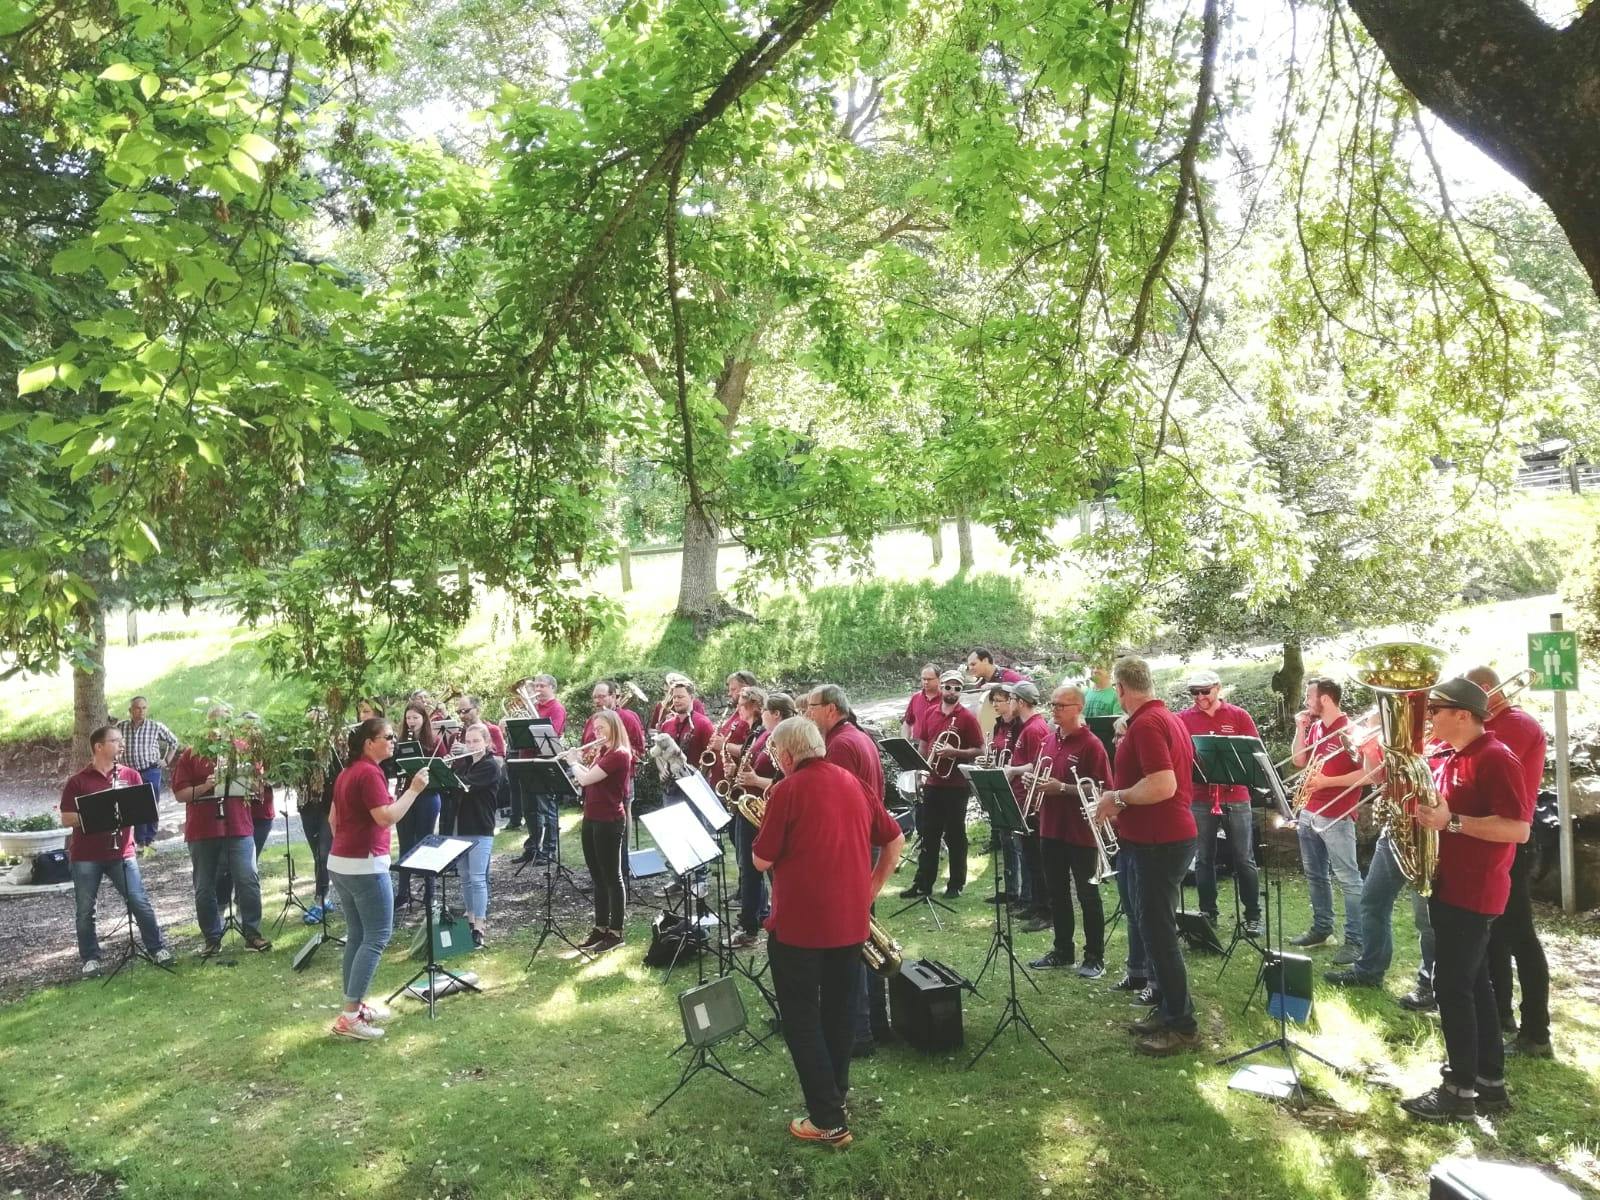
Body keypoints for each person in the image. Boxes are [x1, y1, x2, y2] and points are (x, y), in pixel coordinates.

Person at [752, 716, 904, 1149]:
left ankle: (828, 1120)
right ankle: (836, 1095)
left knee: (801, 1020)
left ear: (786, 754)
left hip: (799, 927)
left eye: (775, 755)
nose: (775, 761)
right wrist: (869, 890)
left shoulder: (787, 789)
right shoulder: (854, 783)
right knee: (839, 1014)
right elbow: (894, 842)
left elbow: (762, 861)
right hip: (849, 924)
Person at [1399, 677, 1532, 1121]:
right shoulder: (1450, 756)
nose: (1429, 718)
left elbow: (1518, 828)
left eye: (1435, 710)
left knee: (1451, 987)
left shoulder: (1495, 757)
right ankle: (1489, 1083)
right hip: (1450, 883)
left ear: (1462, 714)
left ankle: (1457, 1092)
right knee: (1475, 985)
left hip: (1473, 890)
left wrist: (1450, 822)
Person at [1093, 656, 1199, 1056]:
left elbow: (1163, 785)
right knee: (1152, 930)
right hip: (1156, 839)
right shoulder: (1162, 719)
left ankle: (1183, 1025)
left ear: (1120, 689)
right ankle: (1168, 1009)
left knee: (1159, 934)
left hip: (1160, 841)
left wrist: (1115, 798)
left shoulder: (1150, 724)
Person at [326, 718, 432, 1040]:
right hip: (364, 866)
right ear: (368, 743)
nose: (393, 741)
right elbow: (386, 818)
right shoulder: (369, 772)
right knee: (376, 937)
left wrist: (348, 845)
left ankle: (353, 1007)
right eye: (387, 737)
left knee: (357, 935)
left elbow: (333, 820)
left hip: (341, 862)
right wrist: (414, 790)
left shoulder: (347, 772)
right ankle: (349, 1017)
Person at [1468, 666, 1552, 1057]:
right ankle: (1500, 1014)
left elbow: (1489, 773)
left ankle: (1537, 1032)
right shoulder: (1492, 724)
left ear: (1486, 689)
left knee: (1520, 935)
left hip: (1515, 841)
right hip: (1491, 839)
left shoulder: (1515, 724)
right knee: (1492, 934)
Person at [60, 724, 174, 974]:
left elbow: (144, 809)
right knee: (85, 910)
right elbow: (67, 818)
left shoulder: (130, 776)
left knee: (138, 900)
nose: (121, 745)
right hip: (86, 856)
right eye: (116, 741)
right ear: (99, 747)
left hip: (122, 852)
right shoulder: (78, 781)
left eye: (121, 741)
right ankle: (90, 959)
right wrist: (98, 815)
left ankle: (157, 948)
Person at [171, 708, 271, 956]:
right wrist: (207, 785)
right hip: (202, 830)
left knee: (248, 878)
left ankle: (252, 933)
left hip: (238, 826)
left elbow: (258, 788)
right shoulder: (191, 754)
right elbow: (180, 794)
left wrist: (248, 779)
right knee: (204, 886)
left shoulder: (243, 749)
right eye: (215, 723)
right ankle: (212, 939)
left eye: (225, 723)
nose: (220, 729)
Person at [1027, 685, 1112, 975]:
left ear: (1078, 708)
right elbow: (1044, 775)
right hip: (1051, 828)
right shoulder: (1048, 741)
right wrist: (1034, 781)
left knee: (1088, 895)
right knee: (1057, 893)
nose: (1054, 710)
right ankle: (1063, 950)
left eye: (1061, 705)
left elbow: (1101, 789)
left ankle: (1094, 957)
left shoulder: (1092, 744)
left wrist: (1062, 788)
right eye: (1052, 705)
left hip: (1081, 832)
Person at [1176, 669, 1264, 938]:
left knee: (1244, 858)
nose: (1199, 697)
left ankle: (1252, 916)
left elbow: (1256, 753)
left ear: (1218, 688)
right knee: (1203, 858)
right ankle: (1207, 913)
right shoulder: (1183, 718)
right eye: (1194, 692)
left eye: (1205, 691)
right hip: (1200, 797)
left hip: (1235, 796)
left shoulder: (1238, 716)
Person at [899, 671, 981, 900]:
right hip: (933, 782)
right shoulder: (929, 712)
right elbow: (924, 744)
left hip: (956, 785)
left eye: (957, 688)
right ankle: (923, 883)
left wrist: (955, 752)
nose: (952, 692)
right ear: (942, 688)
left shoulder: (967, 717)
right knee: (929, 834)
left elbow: (979, 749)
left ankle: (956, 883)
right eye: (949, 687)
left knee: (955, 835)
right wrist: (919, 771)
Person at [562, 709, 632, 952]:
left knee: (613, 877)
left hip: (609, 820)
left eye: (602, 728)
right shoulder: (603, 751)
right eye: (595, 728)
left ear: (614, 727)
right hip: (591, 817)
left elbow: (587, 779)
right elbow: (586, 779)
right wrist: (579, 763)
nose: (597, 732)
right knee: (597, 876)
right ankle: (601, 927)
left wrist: (573, 762)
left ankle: (616, 931)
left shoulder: (620, 754)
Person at [732, 691, 793, 947]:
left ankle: (752, 926)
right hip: (751, 808)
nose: (762, 715)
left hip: (765, 810)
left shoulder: (783, 739)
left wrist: (755, 780)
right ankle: (760, 918)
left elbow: (787, 781)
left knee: (758, 869)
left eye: (765, 711)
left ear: (776, 714)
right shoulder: (764, 735)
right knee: (751, 869)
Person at [999, 681, 1051, 929]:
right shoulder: (1028, 727)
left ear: (1020, 702)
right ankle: (1034, 905)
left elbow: (1038, 764)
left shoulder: (1035, 729)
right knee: (1030, 858)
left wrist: (1013, 770)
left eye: (1011, 700)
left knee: (1037, 860)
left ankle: (1044, 911)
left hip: (1032, 803)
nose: (1008, 704)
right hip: (1022, 799)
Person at [451, 722, 505, 949]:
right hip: (460, 827)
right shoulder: (464, 765)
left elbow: (464, 786)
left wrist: (453, 774)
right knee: (464, 875)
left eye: (476, 741)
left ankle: (480, 924)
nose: (472, 745)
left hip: (480, 827)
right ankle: (470, 916)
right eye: (469, 741)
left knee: (477, 878)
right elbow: (451, 784)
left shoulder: (490, 765)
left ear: (487, 742)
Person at [117, 696, 179, 850]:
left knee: (151, 803)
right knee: (135, 804)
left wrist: (166, 761)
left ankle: (150, 839)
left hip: (151, 769)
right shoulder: (121, 727)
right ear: (130, 710)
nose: (141, 711)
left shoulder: (155, 726)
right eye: (138, 708)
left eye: (144, 708)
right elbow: (114, 745)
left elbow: (174, 742)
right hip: (130, 772)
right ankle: (139, 840)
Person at [982, 682, 1024, 906]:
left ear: (1012, 701)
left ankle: (1021, 893)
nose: (996, 705)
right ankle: (1009, 889)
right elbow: (997, 751)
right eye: (994, 701)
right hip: (999, 785)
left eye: (1000, 700)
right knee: (1004, 839)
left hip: (1016, 788)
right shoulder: (999, 726)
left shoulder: (1020, 726)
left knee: (1016, 841)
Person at [526, 674, 568, 862]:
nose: (537, 689)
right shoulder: (533, 707)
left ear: (552, 688)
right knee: (530, 808)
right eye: (535, 686)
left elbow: (554, 734)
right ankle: (533, 847)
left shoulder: (556, 708)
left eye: (542, 686)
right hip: (526, 760)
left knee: (546, 806)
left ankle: (549, 849)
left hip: (545, 761)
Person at [659, 680, 715, 792]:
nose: (676, 701)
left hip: (696, 787)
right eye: (674, 697)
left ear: (691, 697)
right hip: (671, 787)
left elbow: (712, 757)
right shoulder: (666, 725)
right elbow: (660, 753)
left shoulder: (703, 723)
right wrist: (661, 769)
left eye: (680, 697)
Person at [705, 687, 756, 797]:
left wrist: (724, 745)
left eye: (741, 704)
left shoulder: (757, 729)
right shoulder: (739, 720)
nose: (737, 708)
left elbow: (751, 751)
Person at [902, 665, 942, 740]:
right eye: (924, 679)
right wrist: (905, 742)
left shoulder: (946, 699)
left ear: (939, 679)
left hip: (938, 746)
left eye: (929, 679)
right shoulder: (915, 697)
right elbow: (907, 722)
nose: (926, 682)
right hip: (917, 744)